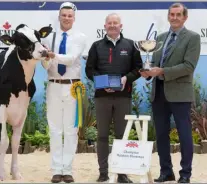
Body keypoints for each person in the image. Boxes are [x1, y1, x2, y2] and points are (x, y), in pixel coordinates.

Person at [140, 3, 201, 183]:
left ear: (185, 17)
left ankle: (185, 174)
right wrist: (148, 73)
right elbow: (155, 64)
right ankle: (166, 171)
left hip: (180, 93)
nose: (174, 17)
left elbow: (189, 66)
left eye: (178, 15)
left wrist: (162, 72)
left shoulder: (193, 38)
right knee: (160, 134)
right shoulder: (160, 38)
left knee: (184, 134)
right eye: (171, 14)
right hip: (158, 92)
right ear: (168, 16)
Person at [85, 13, 142, 183]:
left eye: (115, 23)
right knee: (102, 135)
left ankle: (122, 174)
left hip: (123, 97)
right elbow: (89, 70)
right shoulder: (96, 46)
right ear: (105, 26)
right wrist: (102, 83)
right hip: (102, 97)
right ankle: (103, 172)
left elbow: (138, 69)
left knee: (121, 135)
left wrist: (126, 79)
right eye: (109, 23)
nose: (112, 25)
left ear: (120, 26)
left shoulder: (131, 45)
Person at [41, 2, 87, 183]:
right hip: (53, 85)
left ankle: (67, 169)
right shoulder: (48, 38)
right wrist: (46, 60)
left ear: (74, 18)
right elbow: (45, 64)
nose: (66, 18)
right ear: (59, 16)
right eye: (64, 15)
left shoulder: (80, 37)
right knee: (54, 129)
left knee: (71, 130)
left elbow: (71, 59)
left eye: (70, 16)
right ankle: (56, 170)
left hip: (72, 87)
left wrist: (52, 56)